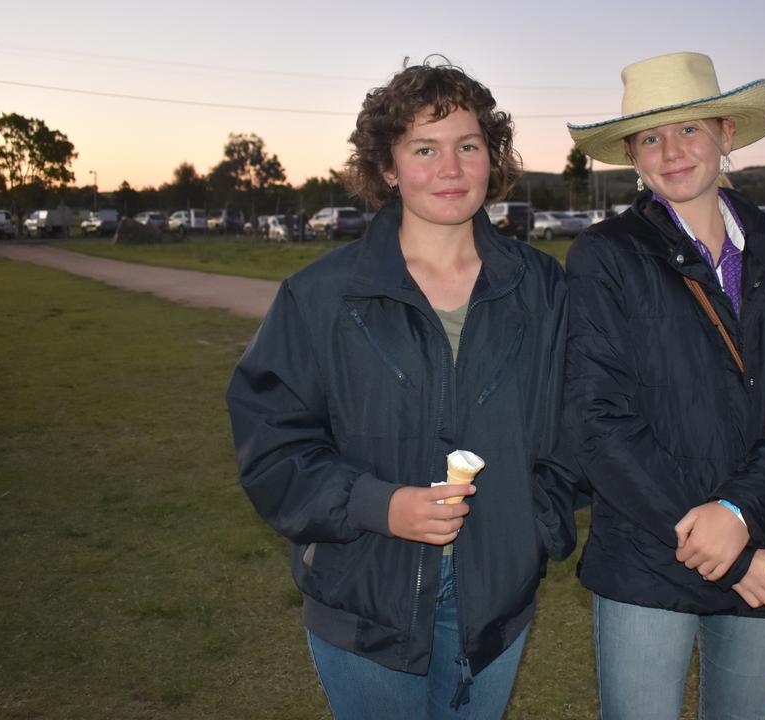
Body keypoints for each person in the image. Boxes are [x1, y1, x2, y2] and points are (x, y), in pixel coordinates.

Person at [226, 59, 577, 720]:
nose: (451, 168)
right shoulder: (320, 297)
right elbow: (271, 447)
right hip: (365, 596)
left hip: (495, 597)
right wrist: (375, 505)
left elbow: (578, 430)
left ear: (490, 157)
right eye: (425, 148)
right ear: (387, 167)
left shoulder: (545, 290)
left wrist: (529, 531)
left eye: (468, 146)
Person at [563, 52, 765, 719]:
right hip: (648, 553)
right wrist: (716, 539)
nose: (673, 152)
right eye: (651, 138)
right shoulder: (605, 255)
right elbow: (596, 419)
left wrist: (743, 518)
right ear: (632, 155)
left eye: (690, 129)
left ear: (726, 134)